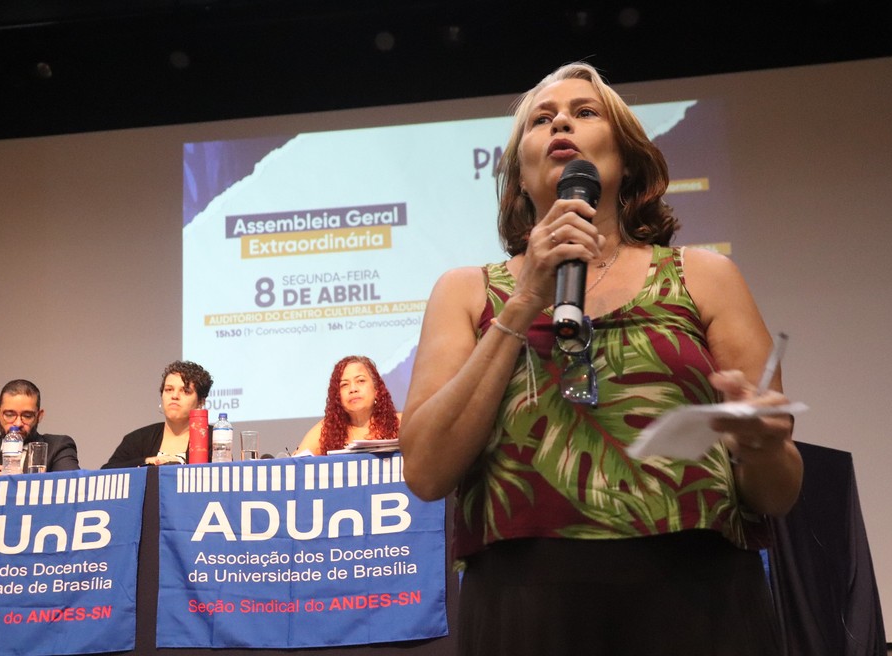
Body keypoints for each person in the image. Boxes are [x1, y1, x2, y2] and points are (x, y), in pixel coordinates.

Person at [398, 62, 803, 655]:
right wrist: (526, 300)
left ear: (626, 159)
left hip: (699, 594)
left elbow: (778, 494)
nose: (561, 120)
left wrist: (765, 442)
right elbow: (427, 472)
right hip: (524, 598)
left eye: (585, 113)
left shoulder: (705, 277)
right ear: (518, 177)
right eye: (542, 118)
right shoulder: (464, 291)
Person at [102, 360, 213, 468]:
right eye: (169, 389)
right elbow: (106, 473)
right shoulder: (138, 439)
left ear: (200, 402)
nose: (174, 396)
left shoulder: (214, 439)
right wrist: (146, 461)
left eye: (185, 391)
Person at [0, 379, 80, 476]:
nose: (17, 423)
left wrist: (21, 484)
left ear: (39, 416)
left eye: (27, 416)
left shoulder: (58, 447)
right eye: (10, 415)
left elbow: (71, 490)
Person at [295, 355, 401, 455]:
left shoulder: (401, 423)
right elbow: (295, 466)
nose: (353, 389)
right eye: (344, 384)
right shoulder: (326, 431)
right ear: (338, 397)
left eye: (360, 381)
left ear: (376, 390)